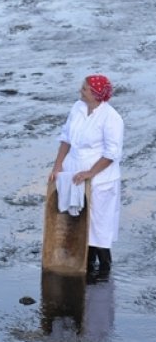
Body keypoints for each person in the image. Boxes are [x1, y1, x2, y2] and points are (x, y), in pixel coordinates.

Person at [48, 75, 124, 278]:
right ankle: (85, 266)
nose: (80, 91)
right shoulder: (77, 108)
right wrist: (57, 167)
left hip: (100, 179)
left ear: (96, 95)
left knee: (99, 227)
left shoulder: (111, 118)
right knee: (77, 221)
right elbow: (66, 139)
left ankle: (104, 271)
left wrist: (90, 173)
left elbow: (112, 153)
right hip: (73, 172)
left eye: (85, 89)